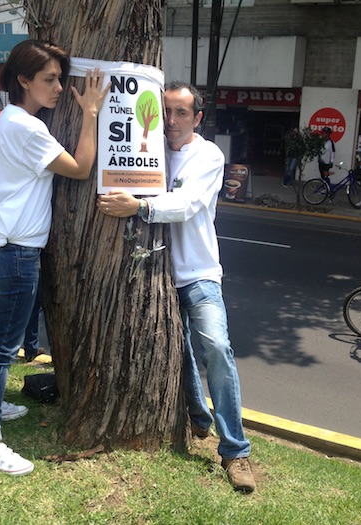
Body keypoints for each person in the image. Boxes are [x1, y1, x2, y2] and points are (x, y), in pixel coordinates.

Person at [97, 81, 255, 493]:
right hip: (158, 275)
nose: (171, 120)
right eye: (166, 111)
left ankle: (235, 451)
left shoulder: (208, 155)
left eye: (182, 112)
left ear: (197, 118)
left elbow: (187, 204)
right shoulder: (150, 149)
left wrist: (140, 206)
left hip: (199, 272)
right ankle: (198, 417)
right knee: (175, 351)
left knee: (216, 349)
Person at [0, 39, 108, 476]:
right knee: (1, 351)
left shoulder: (13, 120)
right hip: (16, 251)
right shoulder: (26, 127)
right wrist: (89, 113)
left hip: (1, 243)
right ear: (23, 81)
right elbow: (82, 167)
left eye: (60, 79)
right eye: (49, 80)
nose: (58, 88)